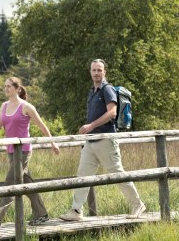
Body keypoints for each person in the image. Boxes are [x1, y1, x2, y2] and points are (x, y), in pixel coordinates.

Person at [59, 59, 146, 221]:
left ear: (104, 72)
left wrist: (91, 125)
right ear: (90, 72)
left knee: (117, 174)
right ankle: (76, 211)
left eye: (99, 70)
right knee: (83, 175)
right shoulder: (92, 91)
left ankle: (137, 204)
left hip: (106, 139)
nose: (96, 73)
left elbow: (112, 113)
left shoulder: (107, 90)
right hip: (91, 142)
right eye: (94, 70)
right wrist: (89, 130)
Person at [0, 77, 60, 229]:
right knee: (27, 182)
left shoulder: (26, 107)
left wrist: (52, 142)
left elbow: (42, 125)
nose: (6, 89)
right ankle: (41, 214)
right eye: (5, 87)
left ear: (18, 89)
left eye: (9, 86)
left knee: (11, 181)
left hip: (23, 151)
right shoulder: (4, 106)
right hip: (11, 151)